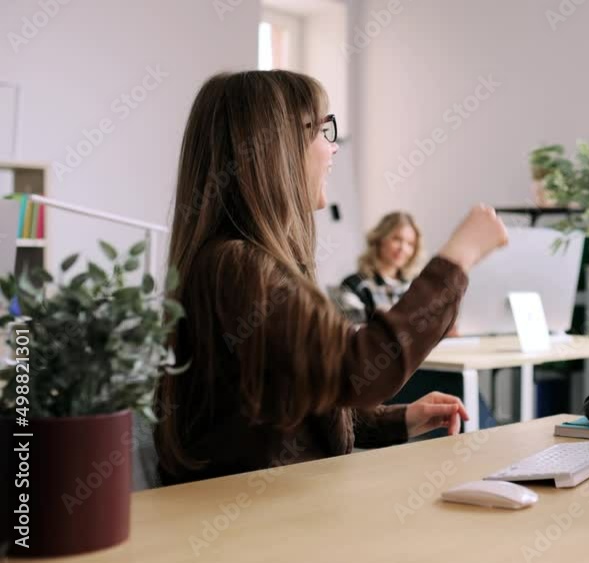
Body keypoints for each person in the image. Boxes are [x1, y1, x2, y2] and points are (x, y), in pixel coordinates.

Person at [154, 70, 508, 486]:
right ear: (276, 150)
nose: (333, 146)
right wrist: (457, 258)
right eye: (320, 131)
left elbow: (312, 387)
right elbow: (357, 370)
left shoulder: (247, 262)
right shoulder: (236, 265)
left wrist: (398, 420)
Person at [331, 211, 499, 431]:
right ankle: (481, 438)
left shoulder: (412, 286)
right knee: (456, 384)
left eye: (410, 243)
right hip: (381, 379)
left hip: (416, 367)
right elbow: (360, 343)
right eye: (397, 239)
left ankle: (480, 437)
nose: (403, 248)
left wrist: (442, 330)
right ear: (379, 239)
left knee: (459, 384)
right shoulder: (353, 285)